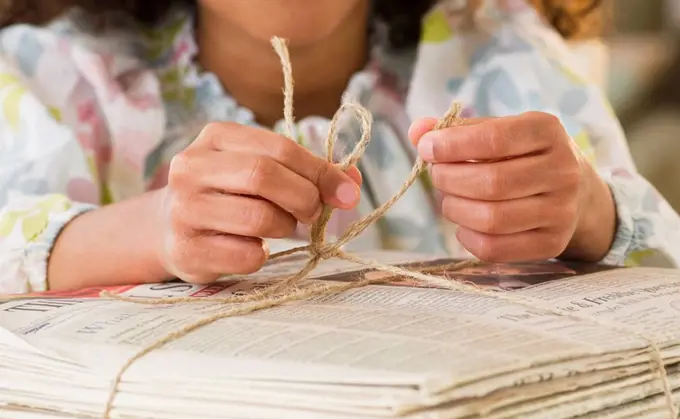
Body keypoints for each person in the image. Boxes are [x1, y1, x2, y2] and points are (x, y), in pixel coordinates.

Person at [0, 0, 678, 294]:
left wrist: (588, 211)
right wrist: (149, 229)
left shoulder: (501, 62)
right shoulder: (53, 80)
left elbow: (660, 271)